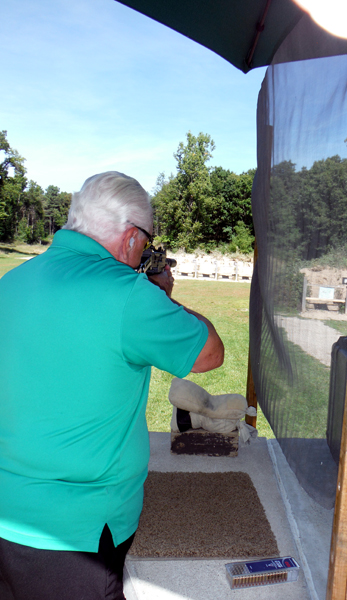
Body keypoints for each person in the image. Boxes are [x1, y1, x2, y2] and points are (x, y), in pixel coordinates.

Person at [0, 171, 224, 600]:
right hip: (75, 533)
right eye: (146, 239)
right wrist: (163, 296)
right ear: (129, 236)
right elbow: (210, 354)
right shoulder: (129, 294)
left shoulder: (14, 281)